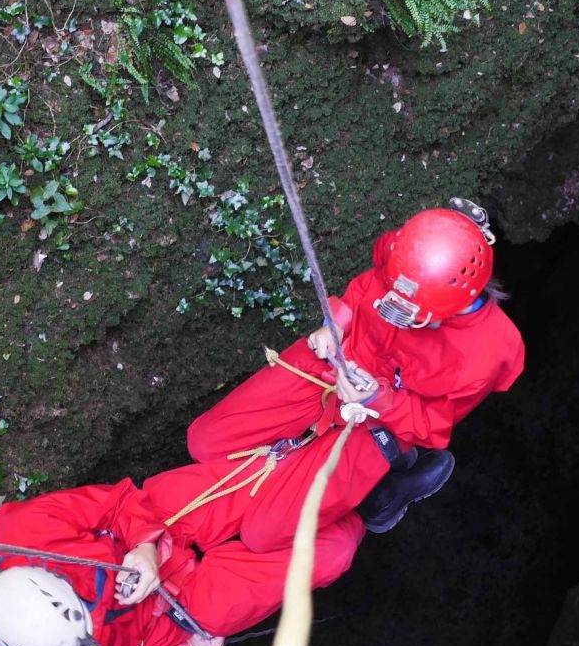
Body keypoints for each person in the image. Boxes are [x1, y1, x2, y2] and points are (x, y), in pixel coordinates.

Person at [186, 199, 525, 548]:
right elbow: (364, 287)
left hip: (385, 419)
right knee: (204, 442)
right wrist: (337, 320)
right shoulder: (408, 251)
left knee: (261, 535)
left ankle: (378, 498)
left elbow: (430, 425)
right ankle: (296, 462)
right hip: (339, 356)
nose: (397, 309)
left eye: (413, 312)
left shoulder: (485, 356)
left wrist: (379, 399)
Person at [0, 457, 364, 646]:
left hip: (158, 526)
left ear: (55, 580)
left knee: (282, 479)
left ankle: (363, 464)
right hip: (171, 621)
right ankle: (373, 507)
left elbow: (117, 501)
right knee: (334, 549)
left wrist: (145, 546)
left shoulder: (26, 530)